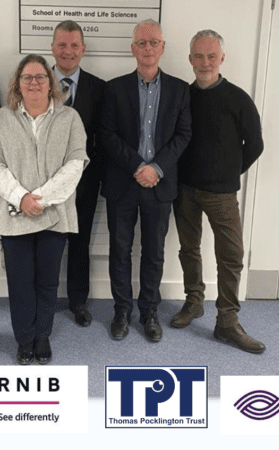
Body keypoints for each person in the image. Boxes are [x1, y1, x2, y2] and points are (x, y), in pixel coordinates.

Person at [0, 54, 88, 365]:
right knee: (20, 280)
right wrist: (20, 198)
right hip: (14, 214)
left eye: (40, 77)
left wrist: (38, 198)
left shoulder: (69, 119)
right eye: (27, 77)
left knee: (48, 280)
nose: (34, 82)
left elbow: (75, 164)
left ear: (51, 83)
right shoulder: (2, 118)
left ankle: (42, 336)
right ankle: (24, 339)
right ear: (18, 83)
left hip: (55, 213)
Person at [170, 30, 266, 354]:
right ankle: (194, 301)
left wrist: (227, 173)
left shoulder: (239, 99)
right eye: (199, 56)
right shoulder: (182, 96)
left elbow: (255, 145)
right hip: (184, 188)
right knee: (189, 248)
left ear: (222, 58)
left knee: (231, 256)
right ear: (190, 59)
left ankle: (227, 321)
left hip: (222, 193)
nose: (205, 62)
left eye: (211, 56)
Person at [100, 19, 191, 343]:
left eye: (154, 42)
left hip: (160, 185)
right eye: (142, 43)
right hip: (123, 183)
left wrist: (157, 168)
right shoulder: (114, 88)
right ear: (133, 48)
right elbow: (107, 135)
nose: (148, 48)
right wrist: (139, 165)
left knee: (154, 254)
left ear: (162, 47)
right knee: (119, 251)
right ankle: (122, 311)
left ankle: (149, 312)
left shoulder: (181, 89)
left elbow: (183, 135)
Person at [51, 20, 106, 328]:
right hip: (43, 184)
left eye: (73, 45)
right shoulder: (35, 81)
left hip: (85, 182)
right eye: (62, 45)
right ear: (52, 48)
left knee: (79, 241)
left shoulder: (100, 88)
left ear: (83, 49)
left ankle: (78, 301)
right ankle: (42, 298)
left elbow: (104, 136)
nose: (67, 51)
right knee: (46, 242)